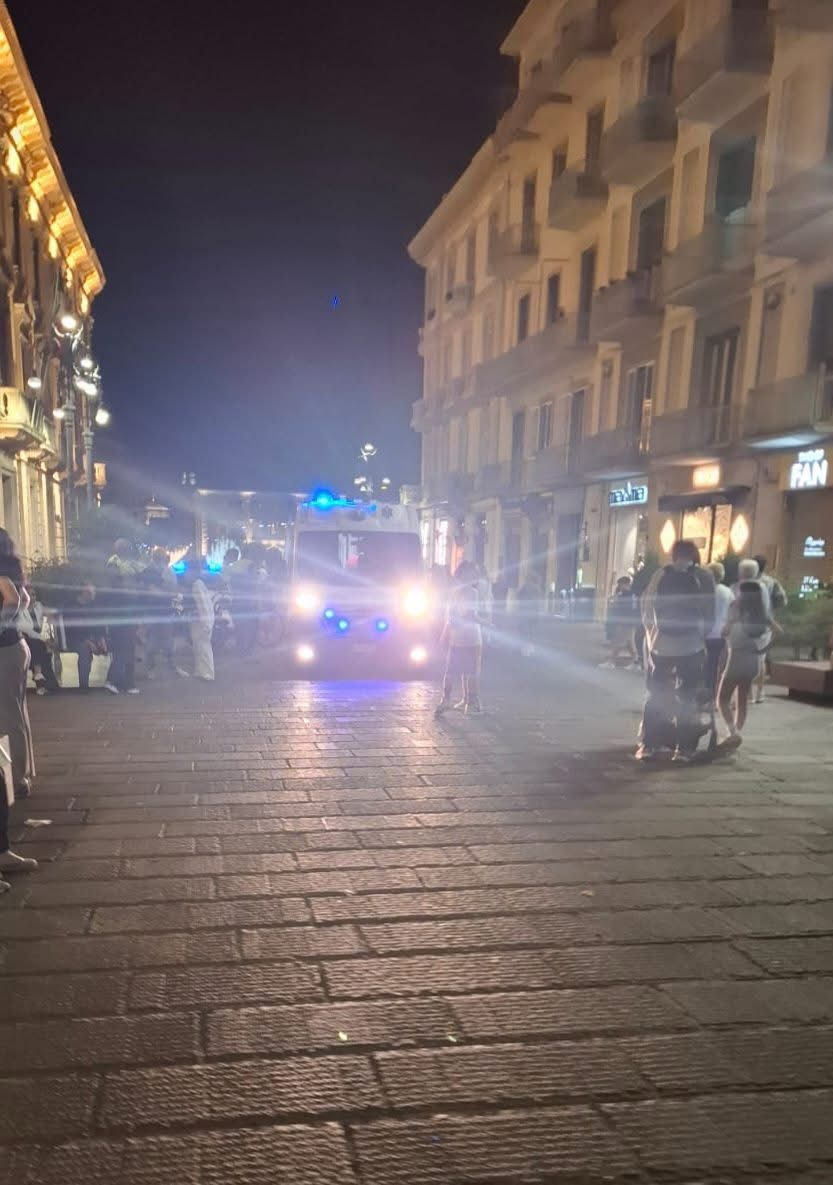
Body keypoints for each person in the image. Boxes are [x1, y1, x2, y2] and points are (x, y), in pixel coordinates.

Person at [637, 540, 716, 763]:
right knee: (688, 696)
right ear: (695, 555)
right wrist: (702, 635)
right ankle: (684, 749)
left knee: (656, 694)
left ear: (674, 555)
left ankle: (649, 745)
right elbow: (710, 611)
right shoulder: (704, 576)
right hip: (692, 645)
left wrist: (653, 636)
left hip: (661, 645)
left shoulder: (660, 574)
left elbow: (647, 607)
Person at [0, 528, 38, 894]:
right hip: (15, 646)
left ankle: (16, 779)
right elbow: (21, 599)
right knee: (17, 714)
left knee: (9, 717)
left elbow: (12, 599)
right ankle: (23, 774)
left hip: (5, 649)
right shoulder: (11, 568)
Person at [718, 576, 780, 748]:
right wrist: (763, 650)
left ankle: (733, 732)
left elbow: (724, 632)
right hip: (753, 659)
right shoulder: (761, 613)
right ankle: (736, 733)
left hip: (736, 657)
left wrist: (729, 624)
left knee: (722, 699)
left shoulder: (735, 608)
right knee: (742, 698)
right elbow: (779, 631)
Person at [435, 560, 483, 716]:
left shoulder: (454, 592)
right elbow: (470, 615)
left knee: (451, 670)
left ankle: (446, 700)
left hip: (456, 637)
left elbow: (449, 617)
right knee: (472, 670)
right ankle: (472, 703)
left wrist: (444, 635)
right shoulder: (473, 592)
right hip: (471, 636)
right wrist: (488, 623)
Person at [140, 548, 188, 679]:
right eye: (162, 558)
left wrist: (169, 592)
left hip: (164, 611)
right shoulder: (149, 572)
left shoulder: (167, 571)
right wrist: (168, 592)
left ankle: (171, 666)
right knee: (152, 641)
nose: (164, 561)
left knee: (167, 640)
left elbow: (171, 590)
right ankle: (150, 668)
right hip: (153, 612)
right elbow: (152, 591)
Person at [752, 554, 786, 704]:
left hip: (746, 624)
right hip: (766, 624)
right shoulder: (771, 582)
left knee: (746, 657)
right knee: (761, 659)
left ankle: (747, 692)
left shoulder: (745, 581)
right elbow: (782, 601)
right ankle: (759, 692)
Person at [63, 582, 107, 691]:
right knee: (85, 650)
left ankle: (115, 681)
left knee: (118, 644)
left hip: (92, 639)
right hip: (74, 639)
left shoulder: (93, 606)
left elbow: (98, 625)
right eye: (92, 592)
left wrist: (101, 639)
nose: (94, 594)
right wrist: (87, 642)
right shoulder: (71, 607)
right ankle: (83, 686)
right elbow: (72, 630)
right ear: (84, 592)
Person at [20, 588, 59, 694]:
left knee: (53, 687)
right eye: (29, 594)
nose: (32, 597)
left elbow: (50, 614)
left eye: (34, 594)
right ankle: (38, 676)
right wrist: (44, 640)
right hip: (25, 640)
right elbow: (28, 631)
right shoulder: (20, 609)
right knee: (36, 643)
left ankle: (40, 677)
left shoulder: (38, 606)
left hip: (40, 641)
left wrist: (49, 636)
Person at [705, 561, 734, 699]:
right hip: (721, 633)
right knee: (718, 666)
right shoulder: (727, 591)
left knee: (706, 666)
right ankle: (715, 695)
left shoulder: (704, 590)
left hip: (705, 633)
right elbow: (733, 611)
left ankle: (706, 695)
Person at [600, 575, 638, 669]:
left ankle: (611, 662)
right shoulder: (633, 594)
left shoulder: (624, 595)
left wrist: (614, 599)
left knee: (618, 642)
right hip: (632, 621)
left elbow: (616, 606)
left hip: (625, 622)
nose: (619, 587)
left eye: (620, 585)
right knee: (629, 643)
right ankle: (636, 662)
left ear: (625, 584)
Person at [188, 569, 215, 681]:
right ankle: (201, 671)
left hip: (201, 621)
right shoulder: (198, 584)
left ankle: (207, 673)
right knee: (199, 646)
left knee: (203, 646)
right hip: (199, 620)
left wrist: (206, 623)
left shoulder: (197, 586)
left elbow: (203, 605)